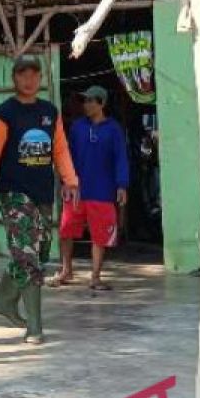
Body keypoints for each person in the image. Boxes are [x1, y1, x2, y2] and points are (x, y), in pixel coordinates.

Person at [0, 55, 78, 345]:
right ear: (15, 78)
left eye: (34, 74)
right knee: (28, 256)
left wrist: (70, 180)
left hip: (43, 192)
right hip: (14, 193)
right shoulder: (3, 114)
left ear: (40, 78)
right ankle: (35, 325)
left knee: (40, 254)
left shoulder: (50, 111)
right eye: (23, 74)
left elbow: (59, 150)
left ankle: (5, 301)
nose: (29, 79)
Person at [53, 85, 129, 291]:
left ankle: (95, 276)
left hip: (103, 191)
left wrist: (122, 185)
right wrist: (66, 181)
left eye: (90, 101)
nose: (86, 105)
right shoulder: (77, 127)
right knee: (66, 231)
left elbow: (121, 158)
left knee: (100, 235)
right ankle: (66, 270)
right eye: (84, 101)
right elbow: (67, 156)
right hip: (77, 190)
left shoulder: (113, 129)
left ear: (101, 103)